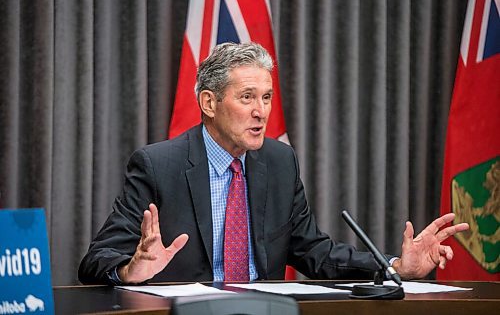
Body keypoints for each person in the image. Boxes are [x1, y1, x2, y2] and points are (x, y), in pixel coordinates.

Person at [78, 42, 469, 285]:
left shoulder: (279, 161)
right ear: (209, 104)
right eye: (247, 97)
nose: (261, 111)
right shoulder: (157, 165)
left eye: (266, 98)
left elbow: (315, 252)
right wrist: (131, 269)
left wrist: (395, 265)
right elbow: (96, 259)